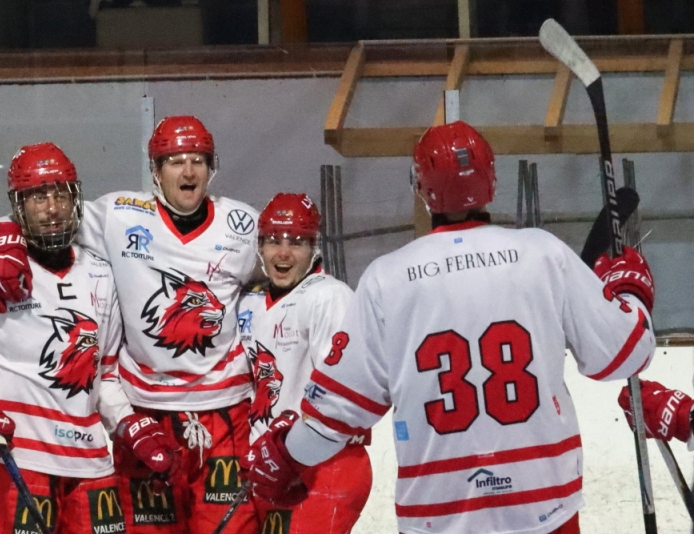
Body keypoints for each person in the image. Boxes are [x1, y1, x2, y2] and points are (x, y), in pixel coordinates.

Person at [241, 121, 657, 534]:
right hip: (545, 504)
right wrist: (627, 287)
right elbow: (625, 354)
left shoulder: (389, 277)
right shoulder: (543, 254)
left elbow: (335, 416)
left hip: (438, 511)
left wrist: (287, 456)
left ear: (421, 190)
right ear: (491, 179)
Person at [0, 117, 260, 534]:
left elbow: (288, 275)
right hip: (145, 413)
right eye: (175, 160)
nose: (188, 171)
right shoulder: (118, 215)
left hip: (227, 415)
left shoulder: (243, 225)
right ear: (156, 172)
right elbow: (48, 212)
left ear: (212, 167)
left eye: (197, 160)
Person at [0, 142, 177, 534]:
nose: (52, 207)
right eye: (38, 196)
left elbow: (102, 377)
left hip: (91, 463)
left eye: (61, 194)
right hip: (17, 460)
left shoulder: (102, 274)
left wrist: (128, 424)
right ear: (18, 205)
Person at [237, 193, 372, 533]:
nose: (283, 253)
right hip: (269, 465)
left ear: (314, 246)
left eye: (296, 242)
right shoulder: (248, 302)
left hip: (326, 464)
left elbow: (345, 391)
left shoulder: (328, 296)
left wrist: (290, 438)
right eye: (273, 241)